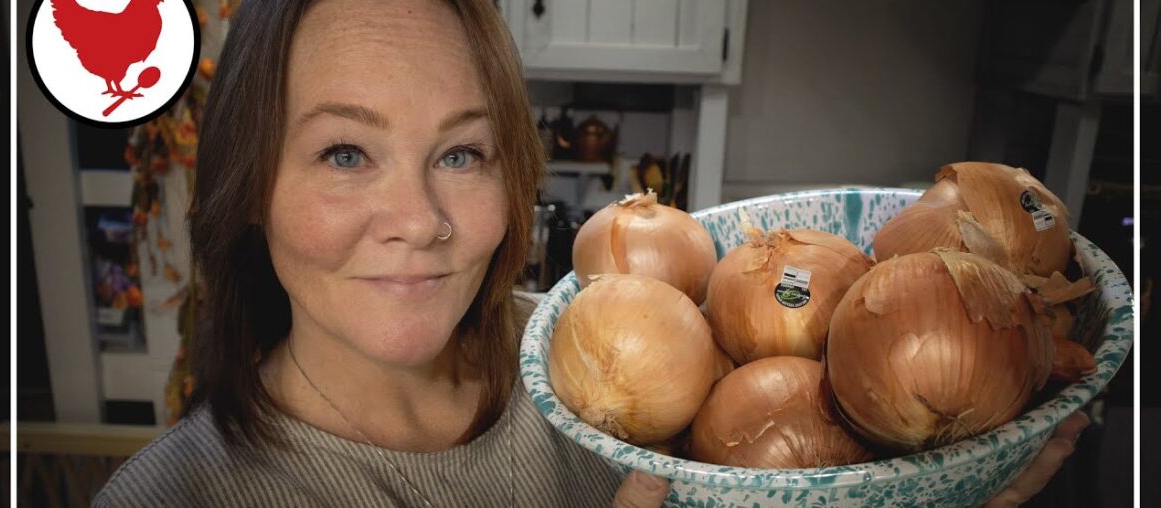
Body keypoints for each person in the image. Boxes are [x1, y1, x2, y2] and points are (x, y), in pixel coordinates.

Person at [92, 0, 1088, 506]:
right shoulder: (171, 500)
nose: (423, 217)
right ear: (249, 187)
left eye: (461, 151)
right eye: (344, 151)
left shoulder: (616, 367)